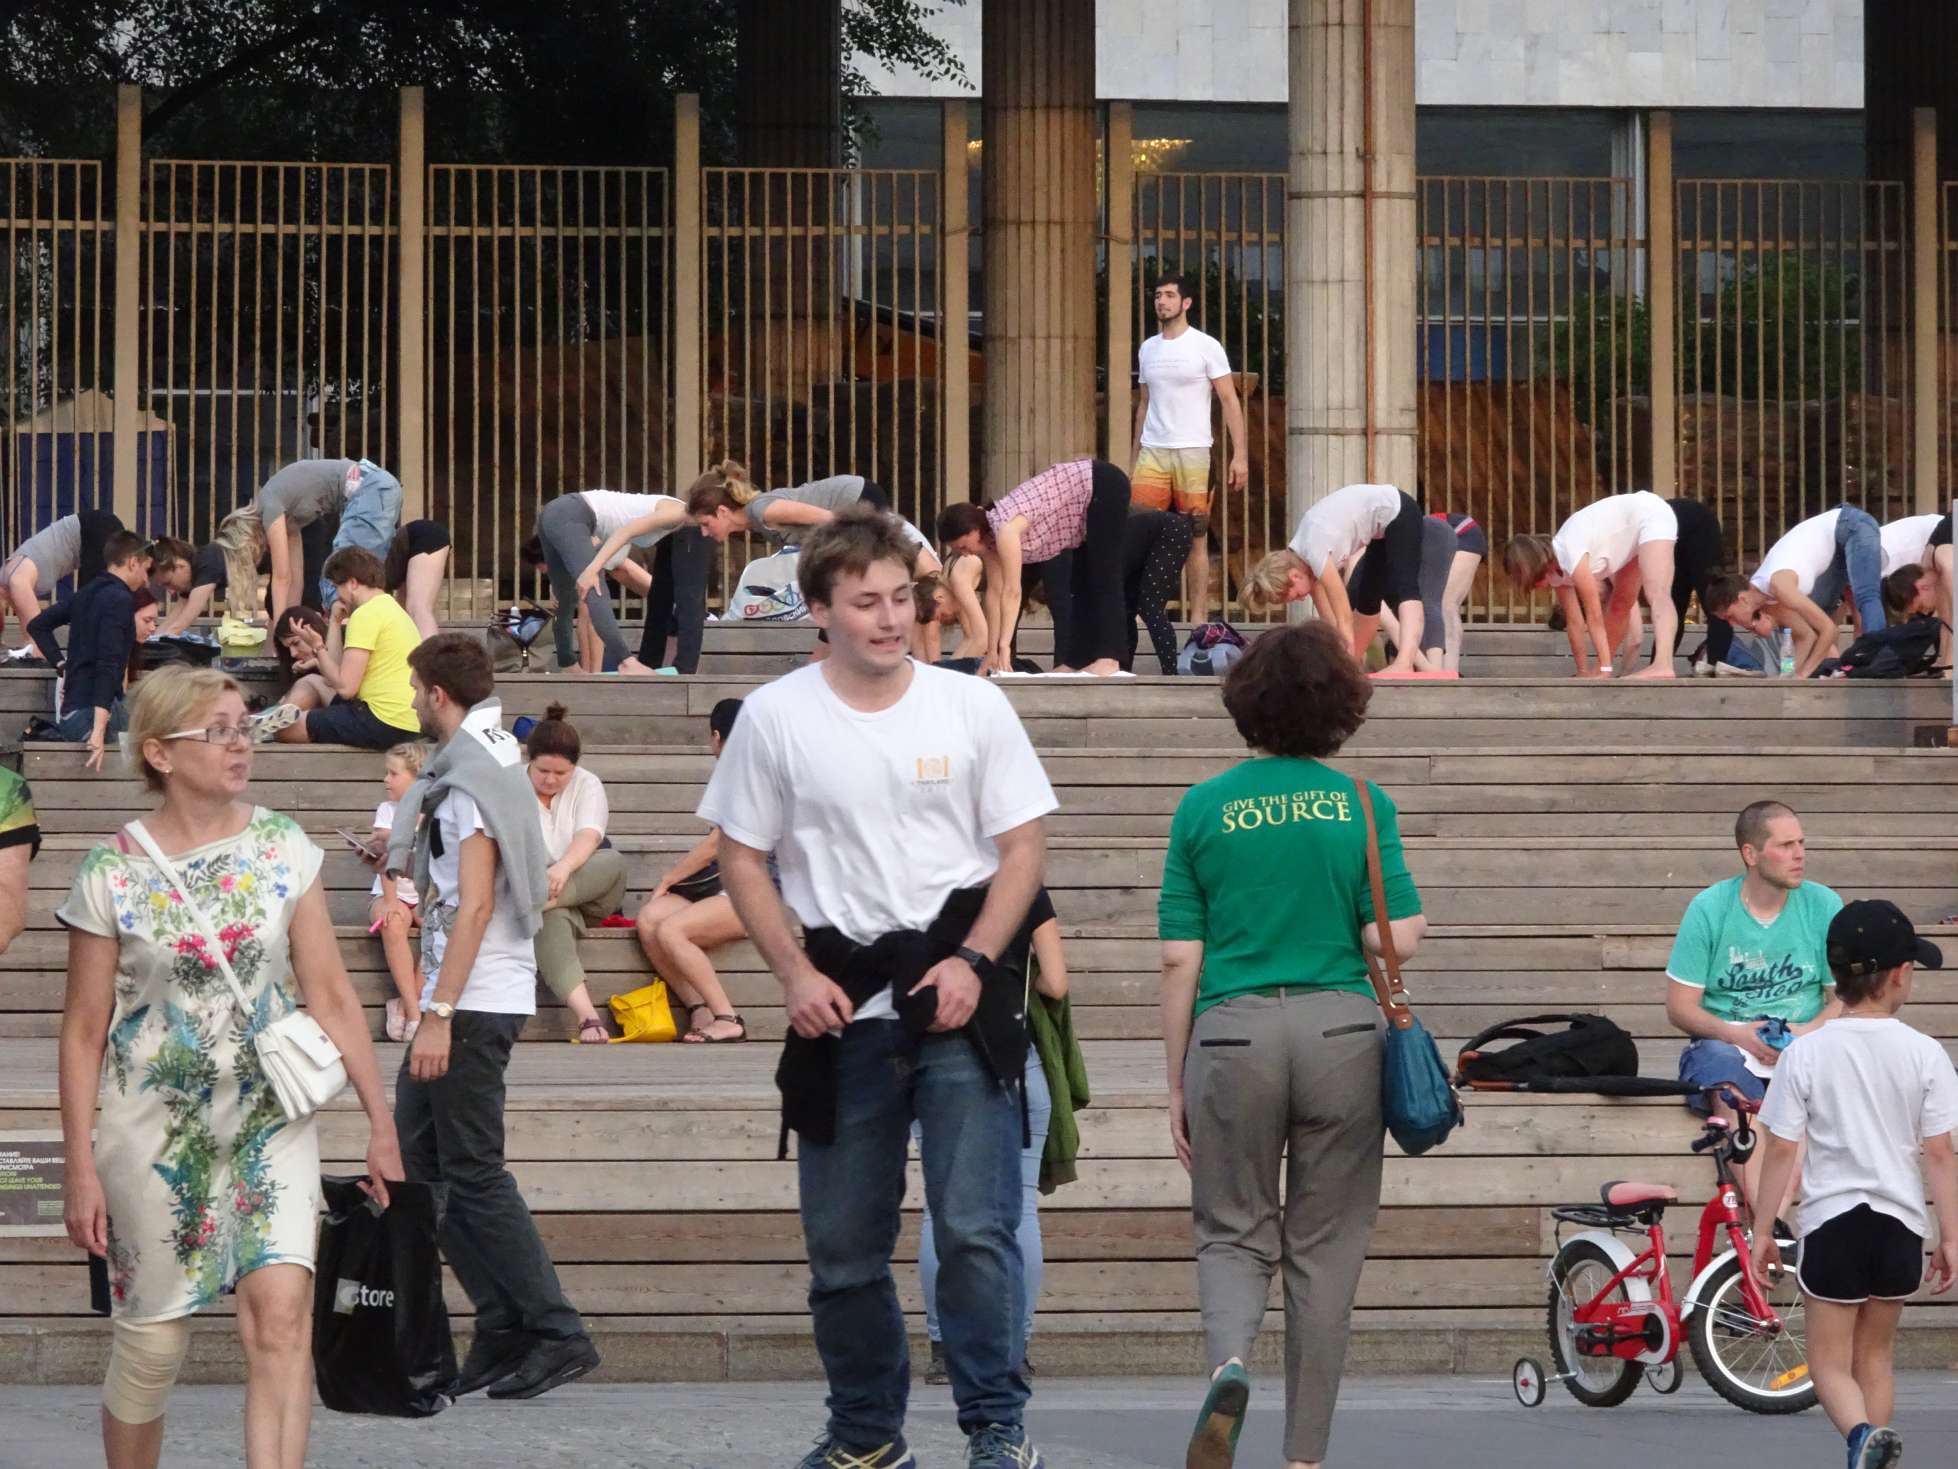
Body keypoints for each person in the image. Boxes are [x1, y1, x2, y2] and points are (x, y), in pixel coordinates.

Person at [699, 504, 1054, 1469]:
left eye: (902, 598)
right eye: (866, 602)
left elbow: (1023, 848)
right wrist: (792, 972)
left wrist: (977, 959)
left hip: (957, 992)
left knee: (976, 1230)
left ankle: (997, 1427)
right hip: (844, 996)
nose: (891, 619)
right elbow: (739, 854)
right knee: (844, 1251)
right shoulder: (775, 716)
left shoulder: (973, 704)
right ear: (819, 608)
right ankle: (866, 1434)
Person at [57, 665, 401, 1469]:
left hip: (269, 1115)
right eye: (216, 730)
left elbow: (334, 996)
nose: (239, 742)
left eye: (244, 725)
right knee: (152, 1346)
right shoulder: (109, 872)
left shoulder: (284, 846)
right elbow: (81, 1031)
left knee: (281, 1317)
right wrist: (78, 1164)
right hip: (152, 1133)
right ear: (160, 753)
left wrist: (382, 1125)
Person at [1159, 620, 1426, 1469]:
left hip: (1232, 1029)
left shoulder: (1202, 804)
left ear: (1247, 703)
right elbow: (1402, 935)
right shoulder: (1360, 802)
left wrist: (1177, 1081)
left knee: (1233, 1228)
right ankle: (1304, 1454)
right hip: (1342, 1028)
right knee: (1326, 1244)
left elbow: (1179, 957)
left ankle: (1231, 1364)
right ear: (1340, 707)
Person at [381, 633, 599, 1401]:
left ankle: (556, 1328)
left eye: (415, 689)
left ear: (438, 694)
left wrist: (436, 1011)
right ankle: (505, 1322)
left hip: (470, 1001)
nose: (411, 701)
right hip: (463, 995)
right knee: (422, 1165)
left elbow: (476, 901)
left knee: (471, 1171)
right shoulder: (484, 763)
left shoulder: (472, 779)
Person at [1748, 899, 1958, 1469]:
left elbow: (1782, 1149)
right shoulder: (1926, 1054)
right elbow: (1939, 1152)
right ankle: (1874, 1449)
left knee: (1828, 1364)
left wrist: (1763, 1229)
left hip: (1834, 1222)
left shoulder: (1805, 1054)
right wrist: (1951, 1237)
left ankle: (1863, 1436)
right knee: (1876, 1357)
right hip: (1900, 1225)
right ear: (1898, 975)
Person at [916, 893, 1069, 1385]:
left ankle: (944, 1349)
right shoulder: (1019, 882)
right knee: (1019, 1207)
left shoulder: (914, 875)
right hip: (1013, 1058)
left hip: (933, 1057)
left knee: (939, 1208)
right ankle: (1014, 1349)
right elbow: (1055, 983)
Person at [1665, 800, 1843, 1215]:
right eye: (1785, 845)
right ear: (1751, 854)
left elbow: (1845, 1000)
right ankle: (1770, 1230)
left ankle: (1766, 1232)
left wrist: (1808, 1031)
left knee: (1799, 1111)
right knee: (1726, 1078)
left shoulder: (1823, 905)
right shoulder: (1710, 908)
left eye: (1801, 843)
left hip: (1802, 1042)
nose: (1800, 854)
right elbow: (1679, 1008)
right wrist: (1737, 1033)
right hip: (1728, 1044)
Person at [938, 458, 1131, 677]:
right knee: (1078, 584)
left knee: (1103, 574)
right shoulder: (989, 545)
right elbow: (994, 595)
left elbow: (1012, 591)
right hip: (1080, 511)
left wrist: (1005, 645)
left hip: (1101, 484)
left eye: (963, 546)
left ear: (973, 529)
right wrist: (991, 651)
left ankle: (1110, 656)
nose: (965, 553)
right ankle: (1077, 660)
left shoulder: (1005, 530)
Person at [633, 696, 754, 1044]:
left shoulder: (752, 771)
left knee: (672, 931)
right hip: (723, 886)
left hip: (758, 894)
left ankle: (727, 1017)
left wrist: (670, 878)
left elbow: (719, 842)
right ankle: (698, 1006)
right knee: (650, 919)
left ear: (716, 736)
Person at [1131, 271, 1249, 626]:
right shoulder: (1148, 347)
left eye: (1169, 295)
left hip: (1194, 451)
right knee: (1137, 533)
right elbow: (1144, 402)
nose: (1161, 301)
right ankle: (1135, 610)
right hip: (1153, 450)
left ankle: (1197, 618)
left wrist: (1239, 455)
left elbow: (1229, 399)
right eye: (1157, 294)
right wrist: (1135, 452)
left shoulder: (1206, 345)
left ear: (1186, 303)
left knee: (1196, 536)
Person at [1244, 484, 1426, 676]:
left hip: (1398, 510)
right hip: (1378, 529)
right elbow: (1330, 623)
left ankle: (1404, 663)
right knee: (1368, 600)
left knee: (1406, 587)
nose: (1300, 599)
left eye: (1296, 595)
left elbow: (1344, 617)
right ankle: (1353, 667)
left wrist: (1343, 657)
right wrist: (1341, 661)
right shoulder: (1302, 561)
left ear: (1294, 576)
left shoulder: (1314, 551)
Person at [526, 704, 626, 1045]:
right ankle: (588, 1018)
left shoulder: (588, 784)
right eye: (542, 771)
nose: (551, 780)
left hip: (586, 889)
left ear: (575, 767)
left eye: (561, 773)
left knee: (611, 860)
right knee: (550, 919)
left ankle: (532, 905)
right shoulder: (511, 786)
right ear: (529, 759)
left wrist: (564, 867)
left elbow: (589, 836)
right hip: (546, 896)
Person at [1501, 490, 1681, 678]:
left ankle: (1663, 664)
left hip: (1649, 514)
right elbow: (1575, 622)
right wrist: (1582, 671)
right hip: (1627, 536)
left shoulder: (1571, 554)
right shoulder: (1555, 572)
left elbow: (1594, 617)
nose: (1536, 587)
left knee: (1657, 592)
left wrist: (1604, 670)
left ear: (1536, 565)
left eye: (1532, 581)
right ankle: (1603, 666)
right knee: (1621, 604)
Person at [258, 547, 422, 750]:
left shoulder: (366, 615)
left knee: (286, 729)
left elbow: (346, 688)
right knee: (313, 681)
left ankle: (268, 724)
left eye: (337, 587)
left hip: (383, 720)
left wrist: (318, 647)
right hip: (405, 720)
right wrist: (335, 623)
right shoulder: (391, 609)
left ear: (353, 583)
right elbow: (335, 673)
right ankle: (271, 717)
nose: (336, 595)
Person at [1704, 505, 1888, 679]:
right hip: (1833, 551)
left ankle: (1877, 659)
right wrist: (1789, 676)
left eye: (1729, 617)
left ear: (1742, 599)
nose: (1732, 624)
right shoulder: (1769, 600)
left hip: (1851, 524)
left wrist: (1802, 675)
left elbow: (1828, 630)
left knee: (1866, 595)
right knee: (1821, 613)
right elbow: (1805, 636)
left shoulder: (1779, 586)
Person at [526, 488, 690, 674]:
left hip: (556, 514)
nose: (708, 533)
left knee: (567, 599)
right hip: (574, 515)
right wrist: (593, 569)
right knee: (593, 589)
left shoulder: (664, 510)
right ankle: (626, 661)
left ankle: (567, 663)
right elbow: (625, 533)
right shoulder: (676, 512)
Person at [29, 533, 158, 770]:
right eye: (146, 570)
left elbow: (38, 625)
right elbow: (108, 664)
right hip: (92, 715)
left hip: (72, 714)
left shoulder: (87, 592)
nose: (146, 580)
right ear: (133, 562)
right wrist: (98, 731)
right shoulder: (120, 599)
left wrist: (60, 665)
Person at [570, 492, 705, 676]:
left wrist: (591, 671)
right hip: (630, 531)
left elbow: (623, 552)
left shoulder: (677, 515)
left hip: (640, 530)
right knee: (598, 588)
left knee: (597, 587)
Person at [216, 458, 362, 627]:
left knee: (357, 572)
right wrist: (290, 624)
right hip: (361, 485)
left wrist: (280, 630)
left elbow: (282, 577)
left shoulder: (270, 510)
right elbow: (295, 578)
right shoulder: (290, 521)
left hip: (363, 484)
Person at [367, 741, 430, 1045]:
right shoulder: (388, 810)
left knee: (441, 925)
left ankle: (404, 1004)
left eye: (393, 774)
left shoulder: (434, 814)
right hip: (389, 892)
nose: (386, 780)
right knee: (393, 921)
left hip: (426, 895)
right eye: (386, 773)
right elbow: (386, 858)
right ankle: (416, 1013)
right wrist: (392, 901)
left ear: (417, 780)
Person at [2, 508, 126, 649]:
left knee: (91, 604)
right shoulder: (11, 583)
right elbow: (30, 635)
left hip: (96, 527)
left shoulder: (16, 581)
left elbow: (37, 637)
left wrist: (37, 650)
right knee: (92, 604)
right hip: (93, 531)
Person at [1367, 512, 1463, 673]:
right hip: (1436, 533)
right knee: (1427, 603)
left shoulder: (1359, 582)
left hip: (1429, 532)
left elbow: (1393, 627)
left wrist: (1421, 667)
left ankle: (1434, 671)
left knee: (1427, 601)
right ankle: (1434, 670)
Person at [319, 460, 403, 613]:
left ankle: (340, 612)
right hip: (376, 487)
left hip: (371, 487)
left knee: (346, 560)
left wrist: (335, 604)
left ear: (352, 583)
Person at [1123, 509, 1194, 674]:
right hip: (1142, 540)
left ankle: (1171, 674)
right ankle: (1123, 672)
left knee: (1149, 606)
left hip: (1170, 531)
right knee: (1125, 610)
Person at [382, 520, 452, 640]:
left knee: (418, 608)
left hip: (423, 536)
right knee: (405, 614)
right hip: (406, 553)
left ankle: (431, 657)